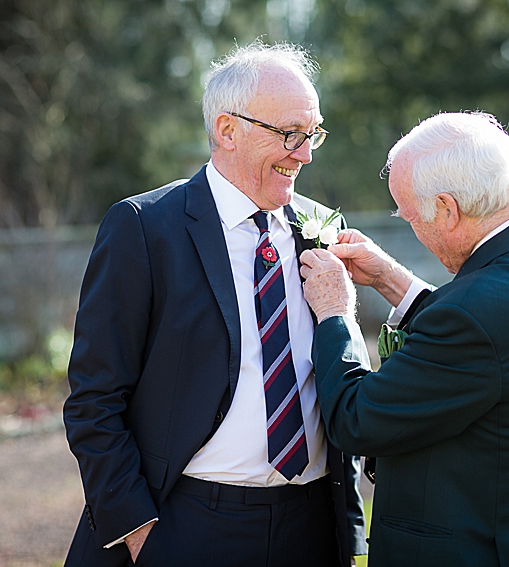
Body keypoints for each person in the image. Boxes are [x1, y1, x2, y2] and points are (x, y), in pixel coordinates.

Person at [63, 41, 366, 567]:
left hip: (313, 524)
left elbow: (340, 377)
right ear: (228, 130)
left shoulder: (322, 229)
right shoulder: (144, 228)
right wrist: (139, 531)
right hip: (188, 524)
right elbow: (94, 397)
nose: (307, 152)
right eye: (291, 134)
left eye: (313, 132)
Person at [299, 111, 509, 566]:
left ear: (448, 210)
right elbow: (499, 349)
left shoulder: (479, 315)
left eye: (410, 216)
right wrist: (395, 281)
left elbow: (357, 418)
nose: (411, 226)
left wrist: (335, 312)